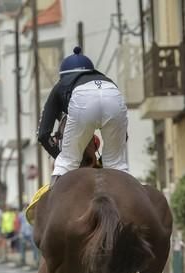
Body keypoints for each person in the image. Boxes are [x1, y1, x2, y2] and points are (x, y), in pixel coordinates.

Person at [37, 46, 129, 184]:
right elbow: (124, 135)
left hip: (83, 98)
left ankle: (55, 200)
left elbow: (43, 134)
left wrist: (62, 156)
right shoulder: (105, 80)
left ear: (64, 75)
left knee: (66, 163)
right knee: (117, 166)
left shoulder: (61, 84)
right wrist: (101, 162)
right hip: (113, 92)